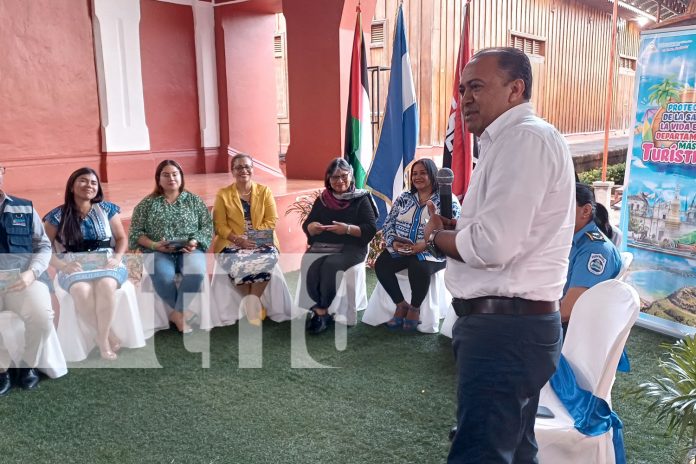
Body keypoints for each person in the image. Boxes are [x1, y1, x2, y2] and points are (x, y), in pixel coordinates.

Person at [424, 47, 575, 463]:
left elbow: (492, 246)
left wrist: (438, 237)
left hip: (506, 331)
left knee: (482, 453)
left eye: (476, 86)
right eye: (461, 89)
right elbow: (500, 235)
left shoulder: (523, 139)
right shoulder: (514, 140)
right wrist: (458, 232)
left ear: (516, 89)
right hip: (512, 327)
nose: (465, 98)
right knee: (514, 449)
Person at [44, 167, 128, 361]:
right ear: (72, 186)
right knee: (81, 291)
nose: (88, 185)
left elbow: (122, 238)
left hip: (106, 260)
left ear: (97, 188)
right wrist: (63, 266)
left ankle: (102, 338)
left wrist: (117, 258)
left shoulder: (108, 209)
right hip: (72, 264)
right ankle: (107, 337)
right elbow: (43, 249)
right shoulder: (56, 216)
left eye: (93, 182)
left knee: (106, 285)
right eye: (83, 181)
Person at [128, 160, 213, 333]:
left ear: (181, 177)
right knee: (163, 276)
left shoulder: (194, 201)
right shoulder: (147, 204)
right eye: (165, 175)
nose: (171, 178)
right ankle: (181, 313)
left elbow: (207, 227)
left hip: (190, 250)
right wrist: (155, 245)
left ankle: (177, 313)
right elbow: (135, 233)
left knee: (196, 273)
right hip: (158, 250)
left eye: (175, 174)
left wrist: (194, 242)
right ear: (158, 179)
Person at [376, 158, 460, 331]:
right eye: (414, 174)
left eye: (423, 173)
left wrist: (425, 244)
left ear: (433, 175)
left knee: (418, 266)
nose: (417, 177)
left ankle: (415, 308)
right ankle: (401, 304)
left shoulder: (447, 200)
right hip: (404, 249)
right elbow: (388, 224)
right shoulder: (404, 198)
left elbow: (453, 230)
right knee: (382, 264)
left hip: (434, 252)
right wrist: (395, 242)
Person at [301, 158, 377, 335]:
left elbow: (370, 229)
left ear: (351, 176)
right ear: (328, 179)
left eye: (344, 176)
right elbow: (309, 223)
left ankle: (324, 311)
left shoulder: (361, 198)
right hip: (325, 243)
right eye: (335, 177)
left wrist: (347, 229)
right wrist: (311, 228)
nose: (340, 181)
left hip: (352, 247)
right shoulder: (323, 200)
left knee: (331, 265)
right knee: (309, 260)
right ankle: (317, 310)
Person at [0, 164, 54, 395]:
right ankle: (2, 369)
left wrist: (32, 273)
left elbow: (42, 245)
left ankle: (27, 364)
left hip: (23, 278)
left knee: (42, 317)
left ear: (2, 173)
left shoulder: (23, 207)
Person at [213, 153, 279, 326]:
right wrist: (238, 240)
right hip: (231, 241)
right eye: (239, 167)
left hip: (262, 239)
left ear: (252, 169)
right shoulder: (223, 194)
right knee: (234, 260)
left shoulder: (264, 191)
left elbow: (272, 220)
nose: (243, 170)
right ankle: (253, 305)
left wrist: (254, 239)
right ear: (232, 171)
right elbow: (219, 225)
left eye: (247, 166)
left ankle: (251, 302)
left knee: (270, 257)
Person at [561, 183, 622, 332]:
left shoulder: (595, 251)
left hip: (573, 333)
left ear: (586, 210)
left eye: (562, 206)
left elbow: (566, 311)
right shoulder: (572, 240)